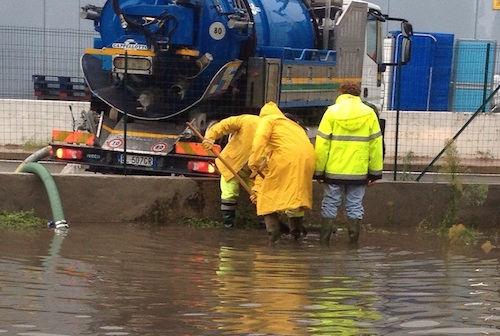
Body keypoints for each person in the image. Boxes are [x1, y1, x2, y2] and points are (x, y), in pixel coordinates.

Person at [314, 81, 383, 245]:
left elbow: (322, 144)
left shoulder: (331, 112)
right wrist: (374, 172)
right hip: (359, 171)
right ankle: (353, 244)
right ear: (358, 94)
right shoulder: (369, 113)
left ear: (341, 93)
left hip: (333, 170)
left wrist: (319, 171)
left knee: (330, 204)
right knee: (355, 205)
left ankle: (324, 242)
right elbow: (376, 145)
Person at [249, 101, 316, 243]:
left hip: (286, 158)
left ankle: (274, 237)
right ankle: (296, 235)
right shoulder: (290, 124)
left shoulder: (267, 120)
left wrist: (253, 162)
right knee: (295, 195)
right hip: (308, 158)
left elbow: (260, 140)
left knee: (266, 197)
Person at [202, 114, 260, 228]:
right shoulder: (248, 121)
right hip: (231, 165)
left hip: (252, 172)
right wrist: (209, 138)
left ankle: (263, 222)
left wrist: (258, 190)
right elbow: (224, 125)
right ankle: (228, 225)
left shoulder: (274, 132)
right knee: (230, 193)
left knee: (260, 196)